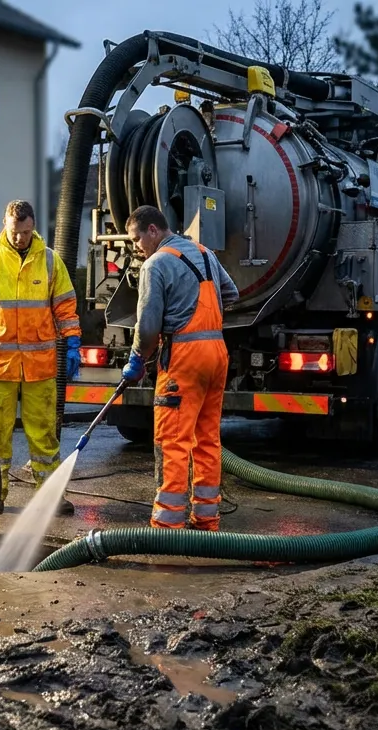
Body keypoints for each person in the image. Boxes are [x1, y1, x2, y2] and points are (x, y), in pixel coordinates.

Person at [0, 200, 80, 515]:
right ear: (5, 225)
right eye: (15, 231)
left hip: (40, 366)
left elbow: (65, 305)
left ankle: (49, 498)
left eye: (26, 232)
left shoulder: (50, 261)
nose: (20, 238)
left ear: (33, 226)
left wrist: (74, 341)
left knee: (44, 435)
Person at [121, 204, 239, 531]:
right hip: (216, 353)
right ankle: (206, 518)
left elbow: (147, 326)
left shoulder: (155, 264)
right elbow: (232, 293)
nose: (136, 248)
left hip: (184, 357)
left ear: (153, 231)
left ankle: (168, 526)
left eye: (136, 240)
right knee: (207, 438)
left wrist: (136, 360)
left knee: (172, 439)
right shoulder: (205, 253)